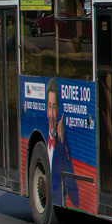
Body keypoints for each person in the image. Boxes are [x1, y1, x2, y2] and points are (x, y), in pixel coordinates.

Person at [46, 78, 78, 207]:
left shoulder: (63, 146)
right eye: (49, 107)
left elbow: (75, 199)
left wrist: (63, 142)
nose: (52, 115)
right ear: (46, 110)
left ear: (58, 110)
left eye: (54, 108)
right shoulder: (43, 142)